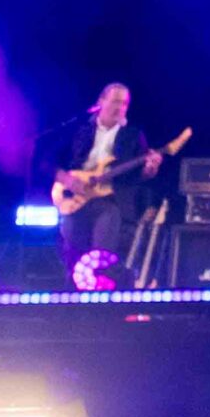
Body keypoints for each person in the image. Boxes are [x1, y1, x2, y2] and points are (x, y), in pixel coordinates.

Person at [50, 82, 168, 283]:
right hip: (77, 197)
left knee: (103, 244)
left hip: (112, 201)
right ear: (101, 102)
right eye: (115, 102)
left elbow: (138, 176)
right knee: (72, 246)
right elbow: (49, 162)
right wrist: (66, 179)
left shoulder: (133, 135)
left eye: (124, 104)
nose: (120, 108)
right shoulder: (79, 131)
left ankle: (102, 286)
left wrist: (150, 170)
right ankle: (73, 290)